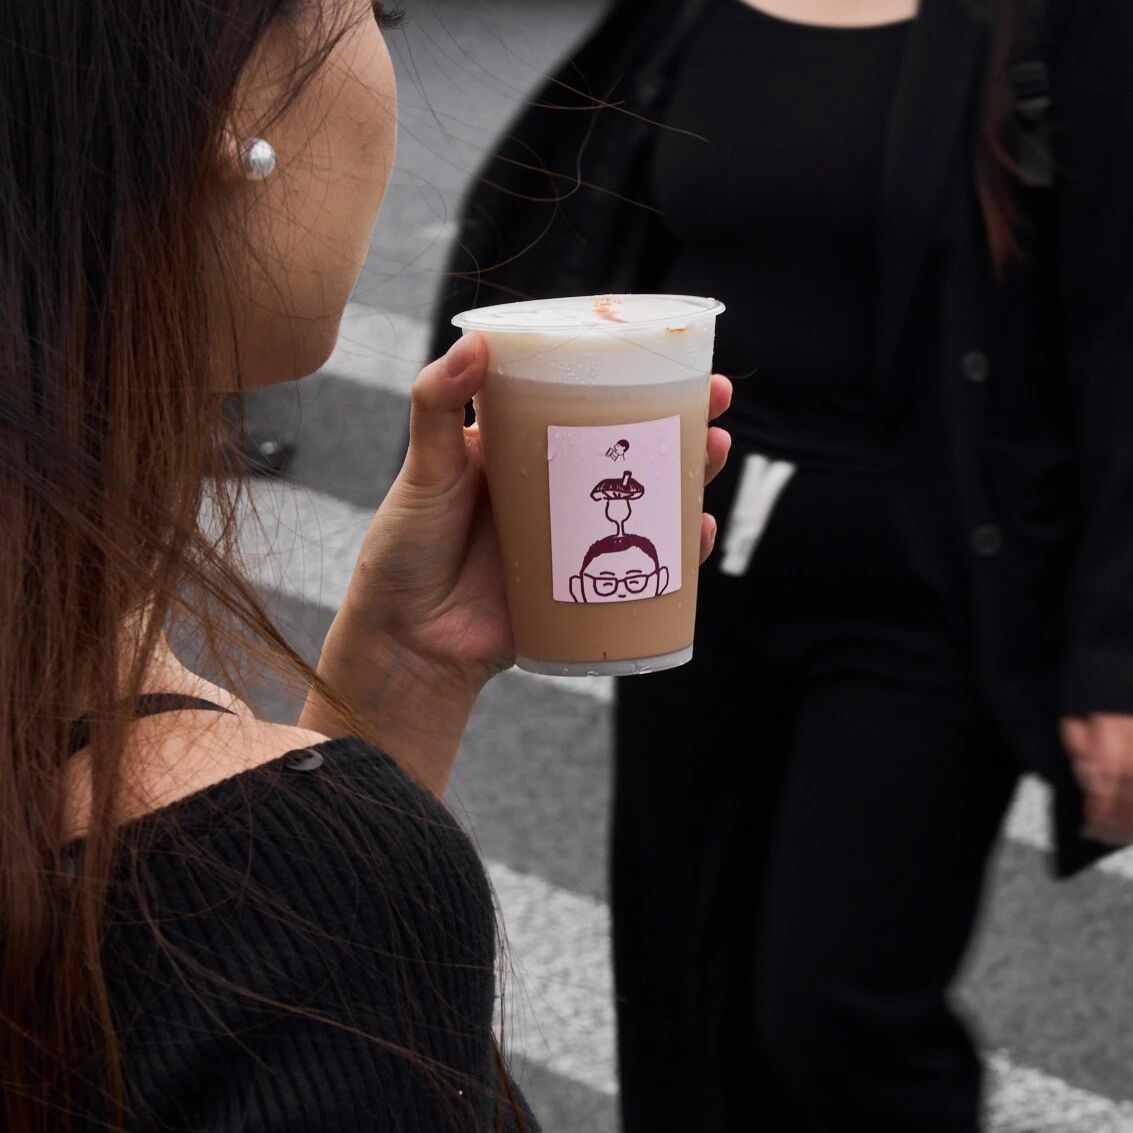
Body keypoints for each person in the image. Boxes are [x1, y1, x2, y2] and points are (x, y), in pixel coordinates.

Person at [0, 1, 736, 1128]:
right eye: (377, 8)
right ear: (225, 111)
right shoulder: (257, 894)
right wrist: (343, 852)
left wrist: (403, 675)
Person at [431, 0, 1133, 1128]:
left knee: (835, 1012)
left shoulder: (1057, 25)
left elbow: (1115, 333)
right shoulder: (683, 14)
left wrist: (1112, 654)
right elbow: (567, 210)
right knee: (678, 993)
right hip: (686, 573)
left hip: (927, 596)